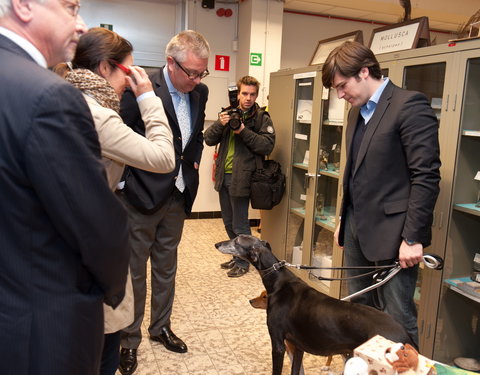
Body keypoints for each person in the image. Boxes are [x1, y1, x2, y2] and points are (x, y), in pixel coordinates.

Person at [0, 1, 131, 374]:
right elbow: (96, 225)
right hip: (41, 326)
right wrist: (111, 288)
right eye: (71, 8)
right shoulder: (49, 97)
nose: (81, 24)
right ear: (24, 6)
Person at [58, 27, 175, 375]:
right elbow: (163, 157)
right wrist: (147, 97)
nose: (129, 81)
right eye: (128, 72)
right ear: (106, 68)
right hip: (93, 237)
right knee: (104, 342)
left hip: (71, 235)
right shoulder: (97, 115)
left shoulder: (67, 97)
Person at [321, 41, 441, 347]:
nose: (340, 94)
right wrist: (342, 220)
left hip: (394, 236)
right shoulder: (355, 114)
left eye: (342, 85)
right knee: (359, 315)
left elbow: (425, 176)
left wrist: (413, 238)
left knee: (397, 318)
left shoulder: (409, 105)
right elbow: (354, 173)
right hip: (356, 229)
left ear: (364, 72)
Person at [118, 30, 210, 375]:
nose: (198, 79)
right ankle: (129, 340)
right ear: (171, 63)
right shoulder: (140, 87)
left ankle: (160, 328)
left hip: (178, 194)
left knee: (166, 267)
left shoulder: (199, 92)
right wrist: (125, 181)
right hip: (141, 195)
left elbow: (195, 136)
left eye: (203, 73)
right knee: (134, 271)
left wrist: (193, 165)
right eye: (192, 72)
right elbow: (121, 133)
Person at [204, 76, 275, 277]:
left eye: (252, 94)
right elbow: (208, 139)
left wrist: (242, 130)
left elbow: (266, 145)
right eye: (244, 93)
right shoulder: (228, 114)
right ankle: (237, 257)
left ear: (256, 95)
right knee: (228, 221)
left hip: (243, 178)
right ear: (238, 94)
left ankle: (245, 263)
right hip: (223, 176)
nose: (248, 98)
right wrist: (221, 123)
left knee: (240, 224)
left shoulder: (261, 118)